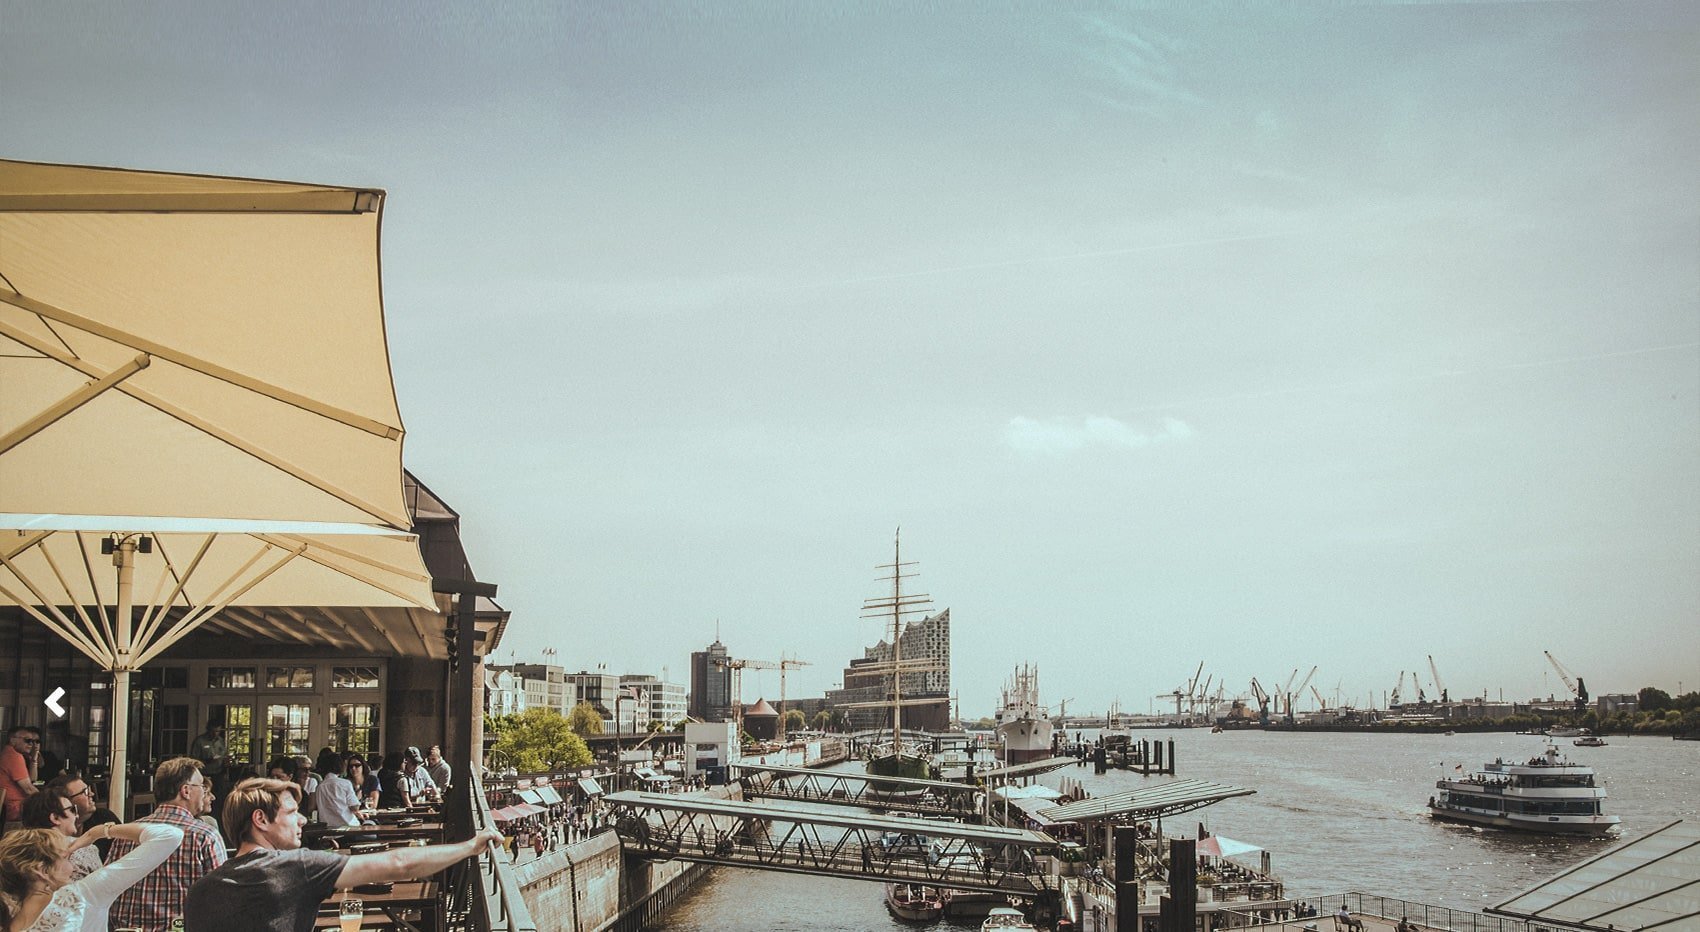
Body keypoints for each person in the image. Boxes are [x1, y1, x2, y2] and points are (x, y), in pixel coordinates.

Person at [181, 778, 500, 932]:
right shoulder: (296, 867)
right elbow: (398, 864)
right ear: (260, 820)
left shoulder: (201, 889)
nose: (303, 820)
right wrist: (472, 846)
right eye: (292, 812)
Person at [106, 758, 226, 932]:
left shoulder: (125, 835)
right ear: (186, 790)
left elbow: (106, 891)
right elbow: (220, 901)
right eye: (202, 786)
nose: (206, 793)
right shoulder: (204, 836)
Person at [0, 821, 183, 932]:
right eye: (63, 855)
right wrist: (100, 831)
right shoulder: (79, 897)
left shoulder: (10, 921)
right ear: (42, 870)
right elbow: (169, 835)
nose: (70, 858)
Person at [16, 792, 99, 882]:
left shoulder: (17, 853)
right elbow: (104, 889)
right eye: (72, 810)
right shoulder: (84, 849)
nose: (77, 815)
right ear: (55, 818)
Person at [2, 726, 42, 831]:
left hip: (12, 808)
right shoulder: (13, 756)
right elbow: (28, 788)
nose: (31, 744)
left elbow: (32, 779)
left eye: (34, 741)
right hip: (16, 810)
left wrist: (34, 758)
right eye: (27, 740)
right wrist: (47, 800)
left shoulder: (10, 753)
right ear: (13, 740)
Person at [186, 724, 228, 798]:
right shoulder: (199, 741)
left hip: (219, 773)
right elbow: (193, 760)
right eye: (213, 731)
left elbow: (224, 754)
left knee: (220, 796)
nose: (215, 733)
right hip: (205, 774)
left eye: (218, 731)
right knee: (204, 796)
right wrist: (207, 760)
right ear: (208, 730)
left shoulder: (221, 741)